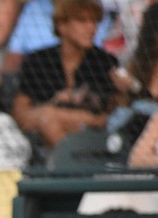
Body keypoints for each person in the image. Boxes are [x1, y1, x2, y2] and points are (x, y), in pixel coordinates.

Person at [11, 0, 118, 149]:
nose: (91, 28)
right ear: (62, 26)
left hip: (92, 127)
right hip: (43, 125)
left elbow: (110, 117)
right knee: (46, 117)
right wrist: (53, 104)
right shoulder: (39, 60)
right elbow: (20, 114)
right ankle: (73, 162)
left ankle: (69, 163)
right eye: (82, 21)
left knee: (47, 118)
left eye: (94, 22)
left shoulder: (104, 62)